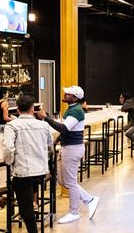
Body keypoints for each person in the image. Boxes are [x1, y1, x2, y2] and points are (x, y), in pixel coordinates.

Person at [36, 85, 100, 223]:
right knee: (63, 181)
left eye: (68, 94)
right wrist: (58, 139)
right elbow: (67, 129)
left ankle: (74, 212)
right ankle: (89, 199)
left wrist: (46, 118)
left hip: (73, 149)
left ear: (75, 98)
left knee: (70, 182)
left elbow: (64, 128)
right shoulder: (71, 109)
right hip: (68, 147)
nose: (65, 95)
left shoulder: (76, 111)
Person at [3, 94, 53, 233]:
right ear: (32, 109)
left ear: (17, 109)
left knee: (25, 205)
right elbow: (49, 146)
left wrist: (9, 162)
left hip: (23, 171)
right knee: (29, 200)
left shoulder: (12, 126)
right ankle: (32, 219)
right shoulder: (43, 125)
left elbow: (8, 148)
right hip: (41, 172)